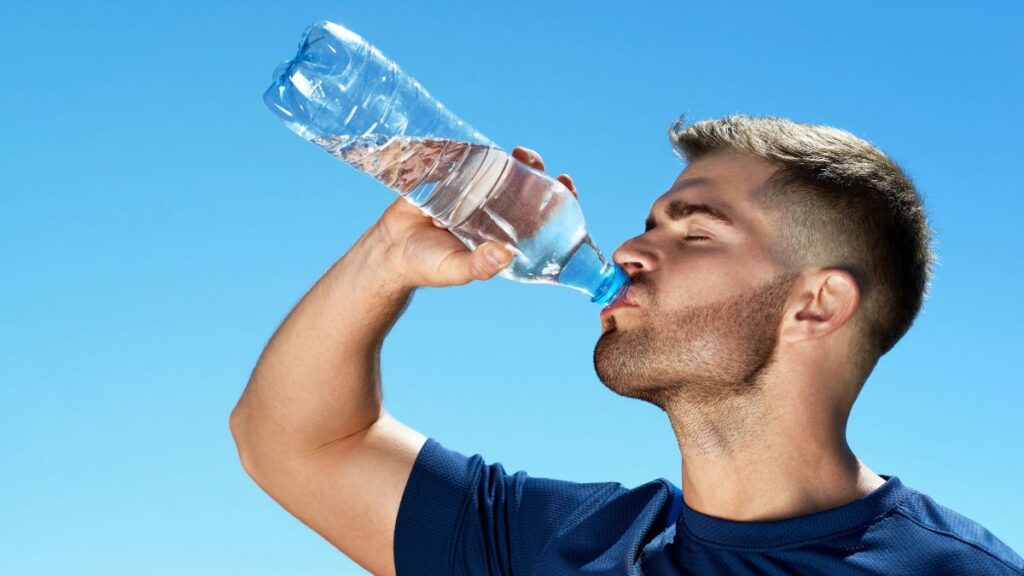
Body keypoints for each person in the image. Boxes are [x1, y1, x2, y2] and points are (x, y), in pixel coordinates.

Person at [229, 115, 1024, 575]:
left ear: (815, 305)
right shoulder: (565, 544)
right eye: (650, 222)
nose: (634, 250)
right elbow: (297, 440)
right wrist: (388, 259)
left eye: (697, 230)